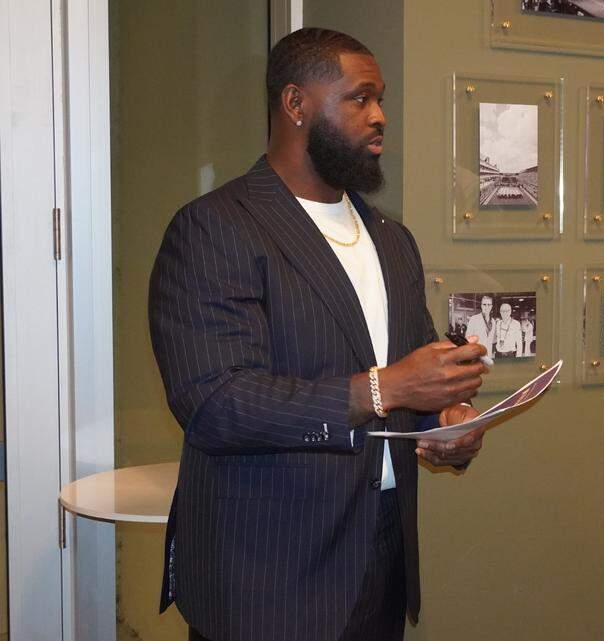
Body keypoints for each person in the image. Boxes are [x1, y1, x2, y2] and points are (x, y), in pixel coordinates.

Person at [148, 28, 490, 641]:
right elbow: (215, 405)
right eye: (360, 99)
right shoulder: (215, 228)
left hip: (382, 556)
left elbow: (414, 383)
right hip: (267, 574)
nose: (380, 116)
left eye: (380, 99)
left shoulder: (391, 238)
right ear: (296, 104)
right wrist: (387, 388)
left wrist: (447, 423)